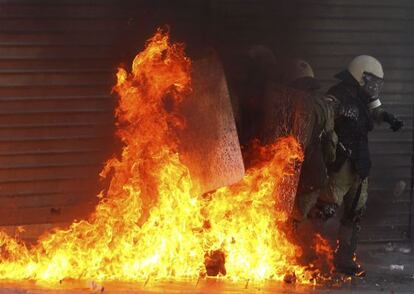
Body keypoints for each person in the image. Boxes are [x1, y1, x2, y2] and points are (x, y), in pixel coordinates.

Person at [316, 55, 403, 276]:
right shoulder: (337, 95)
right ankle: (305, 250)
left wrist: (389, 118)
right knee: (325, 207)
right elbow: (322, 118)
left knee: (355, 212)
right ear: (360, 76)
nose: (374, 87)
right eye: (372, 81)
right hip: (341, 161)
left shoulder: (365, 97)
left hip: (361, 163)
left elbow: (376, 110)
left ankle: (344, 259)